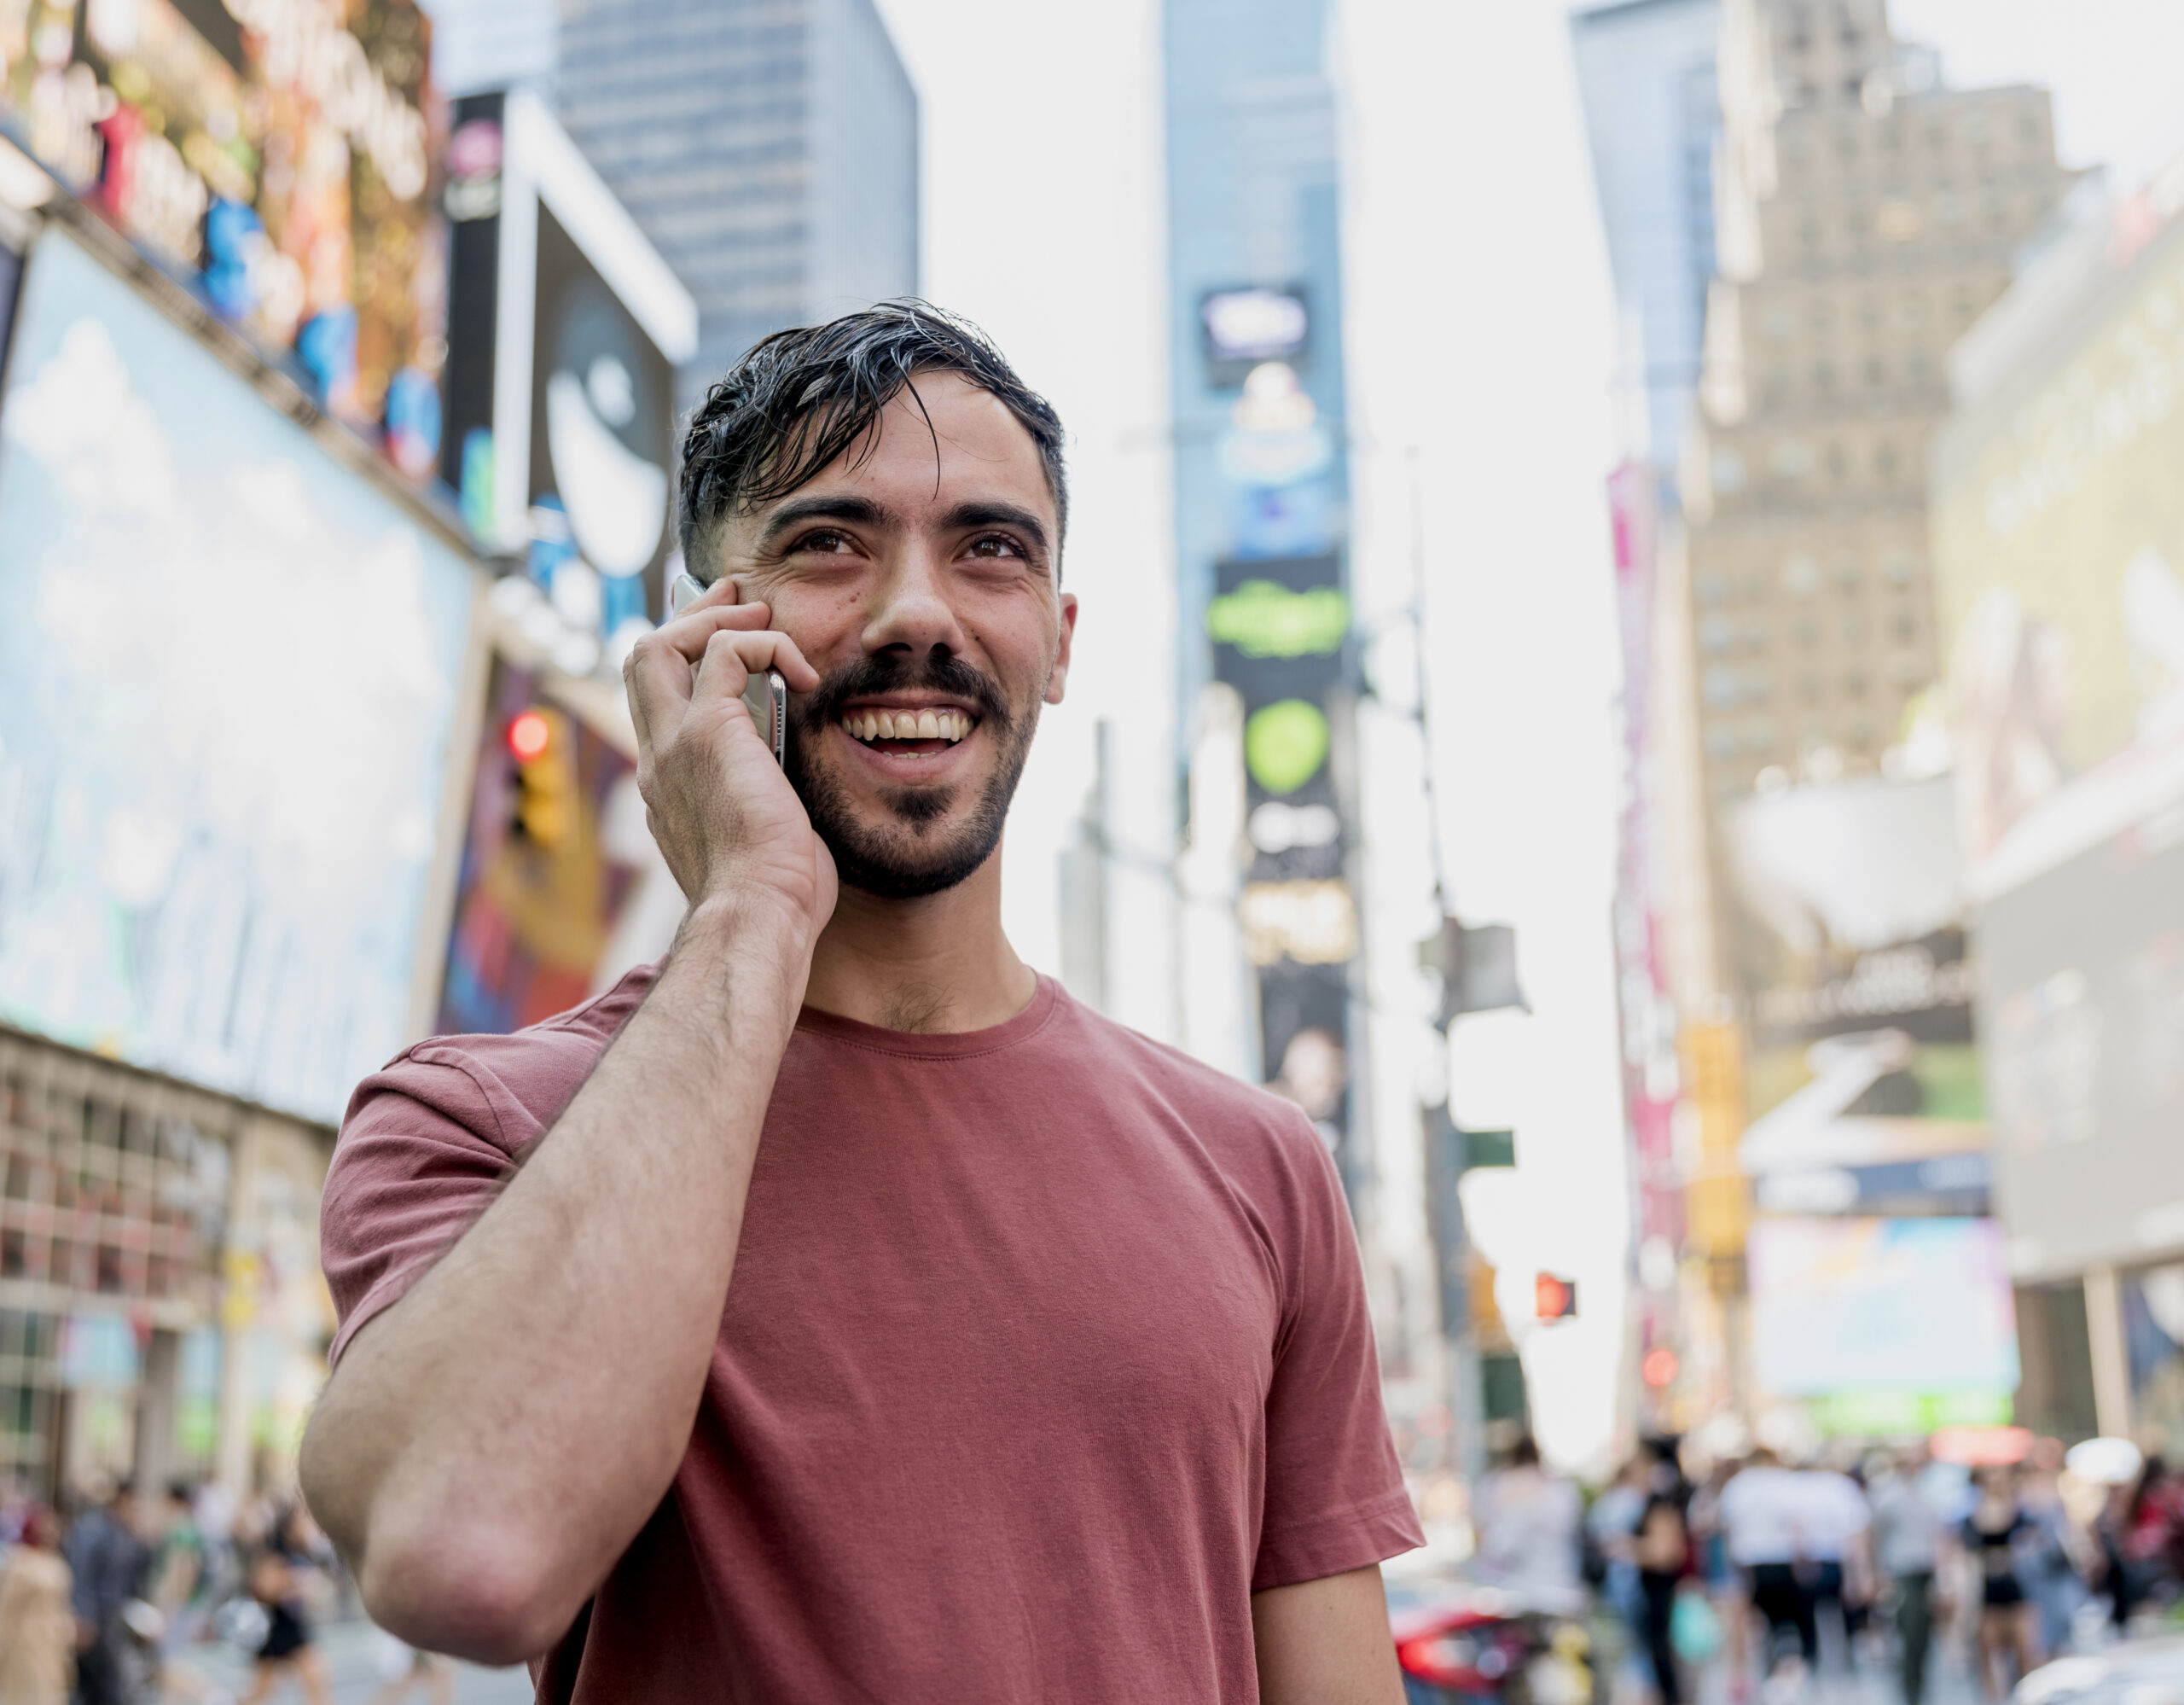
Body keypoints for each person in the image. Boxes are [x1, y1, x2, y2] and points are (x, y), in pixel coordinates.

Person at [297, 305, 1424, 1700]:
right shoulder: (485, 1122)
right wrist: (752, 905)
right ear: (703, 634)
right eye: (831, 542)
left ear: (1058, 639)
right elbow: (466, 1554)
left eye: (990, 549)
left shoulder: (1262, 1169)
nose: (917, 613)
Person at [1718, 1448, 1817, 1679]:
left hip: (1749, 1562)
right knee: (1787, 1617)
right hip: (1782, 1558)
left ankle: (1763, 1667)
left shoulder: (1738, 1485)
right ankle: (1791, 1665)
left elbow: (1728, 1527)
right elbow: (1797, 1523)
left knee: (1757, 1619)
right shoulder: (1784, 1482)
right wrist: (1803, 1559)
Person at [1866, 1445, 1951, 1705]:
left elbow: (1939, 1537)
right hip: (1901, 1572)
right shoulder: (1887, 1494)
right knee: (1908, 1632)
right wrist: (1876, 1573)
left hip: (1926, 1572)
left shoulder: (1929, 1493)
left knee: (1924, 1635)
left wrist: (1944, 1576)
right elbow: (1875, 1536)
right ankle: (1909, 1691)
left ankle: (1919, 1688)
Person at [63, 1479, 149, 1705]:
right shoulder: (94, 1528)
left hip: (114, 1615)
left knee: (110, 1681)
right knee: (94, 1682)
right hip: (96, 1615)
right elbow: (82, 1572)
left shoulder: (124, 1532)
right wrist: (84, 1615)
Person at [238, 1505, 332, 1705]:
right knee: (261, 1692)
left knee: (314, 1678)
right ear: (290, 1527)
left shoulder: (300, 1551)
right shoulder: (276, 1551)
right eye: (303, 1524)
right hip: (275, 1627)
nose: (309, 1528)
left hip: (290, 1626)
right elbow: (264, 1587)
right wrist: (294, 1582)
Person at [1472, 1434, 1583, 1597]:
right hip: (1558, 1583)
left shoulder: (1498, 1486)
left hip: (1512, 1587)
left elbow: (1493, 1544)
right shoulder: (1560, 1489)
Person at [1963, 1466, 2040, 1701]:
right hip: (1987, 1592)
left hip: (2016, 1588)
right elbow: (1967, 1554)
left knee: (2025, 1653)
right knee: (1989, 1657)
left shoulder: (2020, 1512)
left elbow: (2032, 1545)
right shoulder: (1972, 1515)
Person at [0, 1505, 75, 1705]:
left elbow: (62, 1604)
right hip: (26, 1644)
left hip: (52, 1642)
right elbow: (8, 1609)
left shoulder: (56, 1562)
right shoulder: (20, 1563)